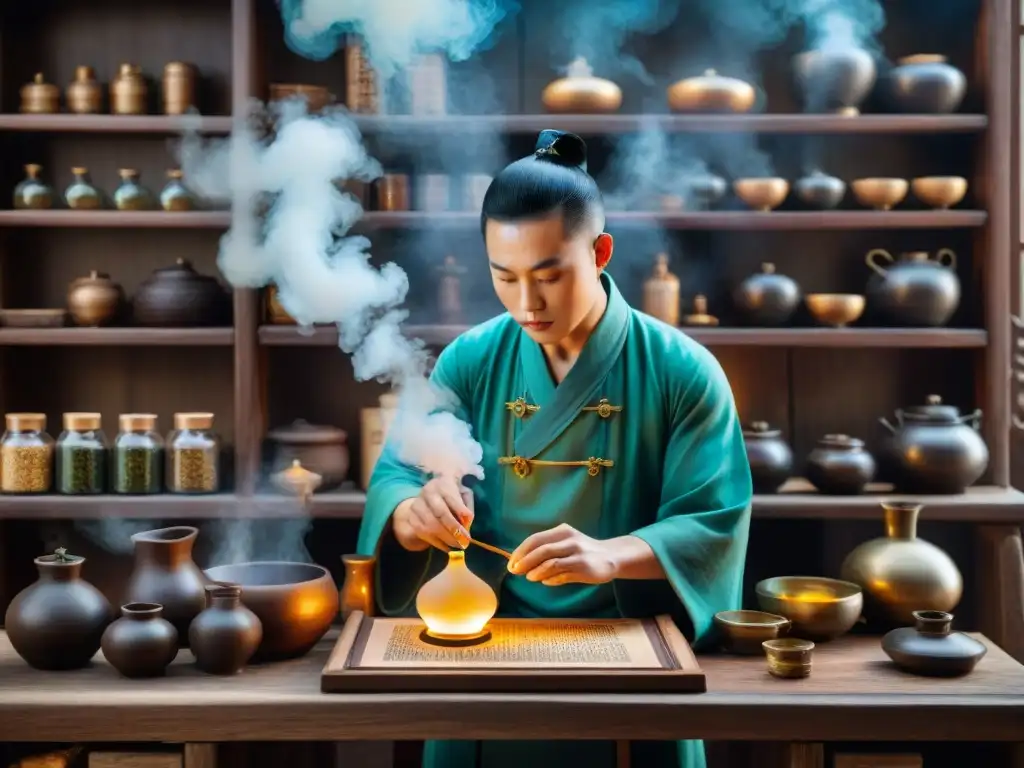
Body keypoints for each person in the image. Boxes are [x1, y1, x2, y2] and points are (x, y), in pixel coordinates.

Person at [356, 129, 753, 768]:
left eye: (548, 275)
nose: (526, 303)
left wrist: (611, 555)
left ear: (600, 252)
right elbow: (397, 474)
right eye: (503, 276)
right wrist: (411, 515)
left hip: (631, 645)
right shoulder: (470, 359)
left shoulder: (682, 369)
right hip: (484, 640)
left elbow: (714, 519)